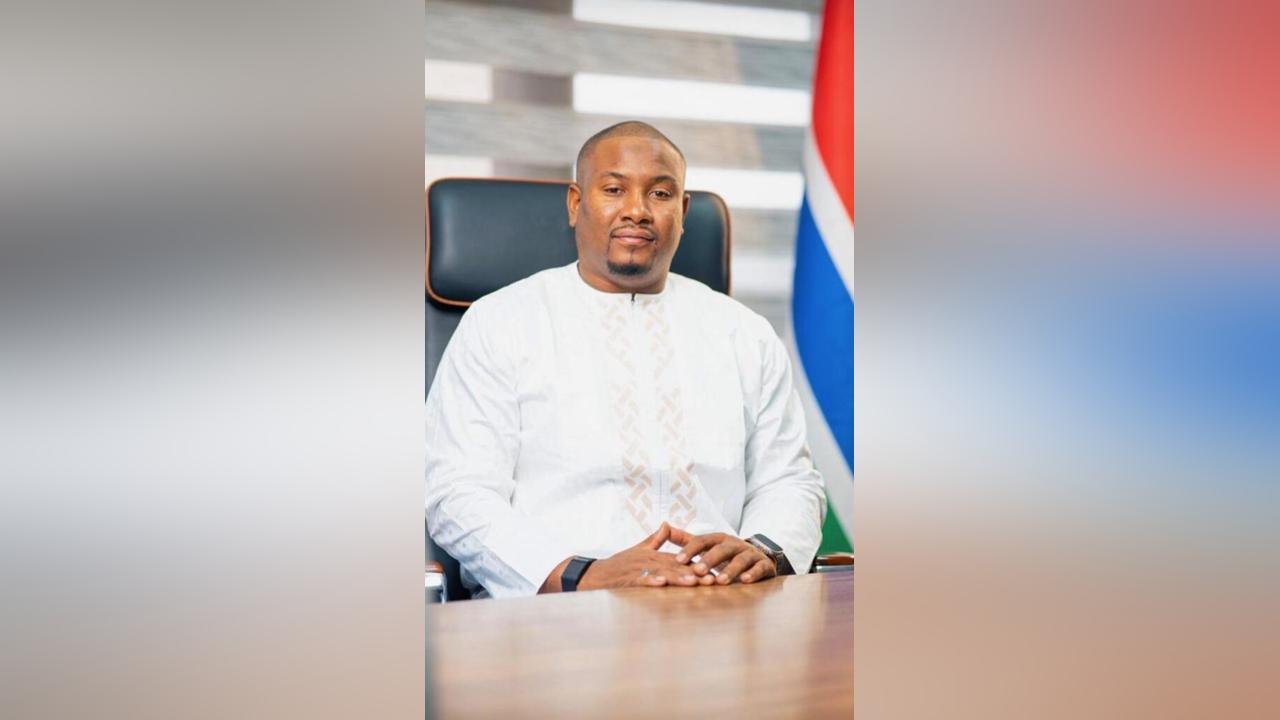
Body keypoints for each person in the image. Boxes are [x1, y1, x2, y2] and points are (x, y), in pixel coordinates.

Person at [425, 121, 826, 598]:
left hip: (721, 605)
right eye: (614, 189)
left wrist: (763, 550)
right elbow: (458, 493)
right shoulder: (500, 323)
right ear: (576, 203)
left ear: (683, 211)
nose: (637, 210)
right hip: (559, 611)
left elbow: (790, 480)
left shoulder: (745, 333)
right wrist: (578, 574)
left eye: (660, 194)